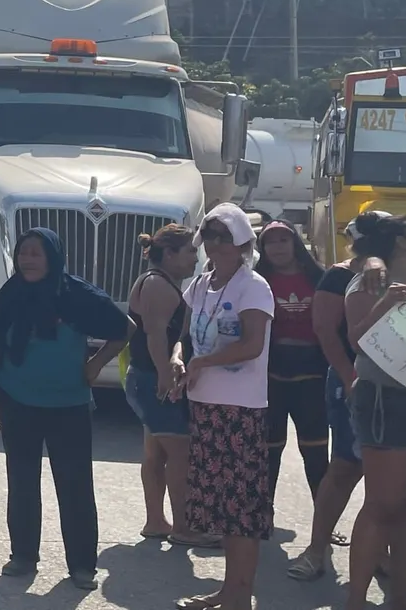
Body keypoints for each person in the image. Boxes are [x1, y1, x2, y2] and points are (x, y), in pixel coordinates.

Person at [0, 227, 133, 590]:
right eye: (23, 253)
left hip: (69, 404)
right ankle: (23, 556)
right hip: (17, 400)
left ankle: (82, 566)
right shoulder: (11, 293)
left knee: (75, 486)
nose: (28, 260)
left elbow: (125, 328)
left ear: (53, 257)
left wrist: (96, 364)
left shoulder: (75, 294)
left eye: (36, 253)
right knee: (22, 482)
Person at [169, 202, 274, 610]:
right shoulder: (200, 284)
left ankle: (239, 595)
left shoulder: (254, 286)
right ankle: (230, 591)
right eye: (209, 235)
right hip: (206, 406)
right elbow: (184, 337)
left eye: (224, 236)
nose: (214, 244)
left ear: (242, 241)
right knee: (222, 508)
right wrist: (179, 358)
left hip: (240, 410)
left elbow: (252, 345)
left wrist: (203, 362)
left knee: (241, 509)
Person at [288, 211, 391, 581]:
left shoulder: (403, 274)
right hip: (353, 379)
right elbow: (325, 330)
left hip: (398, 388)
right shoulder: (340, 276)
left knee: (390, 476)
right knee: (346, 467)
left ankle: (378, 551)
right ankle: (317, 550)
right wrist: (349, 378)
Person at [342, 215, 406, 610]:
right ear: (402, 242)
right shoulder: (370, 281)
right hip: (386, 400)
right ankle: (356, 601)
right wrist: (387, 301)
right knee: (383, 504)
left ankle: (399, 595)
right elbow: (357, 340)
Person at [123, 223, 215, 546]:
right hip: (152, 379)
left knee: (155, 453)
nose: (195, 258)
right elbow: (155, 335)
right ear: (170, 254)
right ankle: (183, 526)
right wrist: (165, 375)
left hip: (147, 378)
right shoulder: (157, 285)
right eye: (190, 251)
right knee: (180, 453)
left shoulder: (160, 282)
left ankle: (156, 521)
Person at [254, 221, 328, 507]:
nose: (277, 247)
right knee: (268, 451)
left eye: (283, 240)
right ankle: (262, 515)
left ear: (295, 243)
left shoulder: (320, 278)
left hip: (313, 379)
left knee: (316, 452)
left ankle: (324, 518)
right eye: (270, 242)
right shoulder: (257, 281)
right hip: (270, 378)